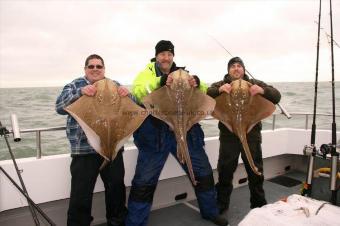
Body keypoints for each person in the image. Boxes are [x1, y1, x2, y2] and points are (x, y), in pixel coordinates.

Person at [125, 40, 228, 226]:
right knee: (145, 179)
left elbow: (204, 91)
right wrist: (161, 81)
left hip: (187, 129)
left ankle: (210, 211)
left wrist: (197, 82)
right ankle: (135, 222)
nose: (166, 58)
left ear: (173, 56)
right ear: (156, 56)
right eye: (162, 54)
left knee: (202, 170)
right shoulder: (147, 73)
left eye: (169, 54)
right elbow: (139, 91)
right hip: (155, 133)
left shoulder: (183, 72)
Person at [56, 54, 129, 226]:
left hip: (112, 148)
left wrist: (127, 95)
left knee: (116, 190)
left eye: (99, 66)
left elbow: (134, 107)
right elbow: (59, 107)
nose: (95, 69)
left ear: (104, 69)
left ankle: (117, 222)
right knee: (80, 195)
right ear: (85, 69)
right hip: (84, 151)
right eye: (91, 66)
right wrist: (80, 93)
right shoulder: (75, 85)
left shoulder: (115, 85)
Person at [207, 57, 281, 217]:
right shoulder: (220, 84)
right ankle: (221, 203)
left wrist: (262, 91)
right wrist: (219, 91)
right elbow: (207, 94)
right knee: (225, 171)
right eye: (233, 66)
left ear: (244, 70)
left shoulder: (255, 83)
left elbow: (276, 96)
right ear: (228, 71)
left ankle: (259, 204)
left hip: (251, 134)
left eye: (239, 66)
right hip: (228, 135)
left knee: (256, 171)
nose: (236, 68)